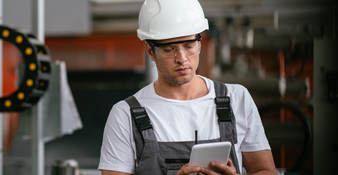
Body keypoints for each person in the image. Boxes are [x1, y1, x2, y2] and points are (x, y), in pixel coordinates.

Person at [98, 0, 277, 175]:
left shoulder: (236, 98)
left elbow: (266, 171)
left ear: (199, 43)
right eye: (169, 49)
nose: (182, 58)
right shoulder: (125, 114)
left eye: (189, 45)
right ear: (150, 51)